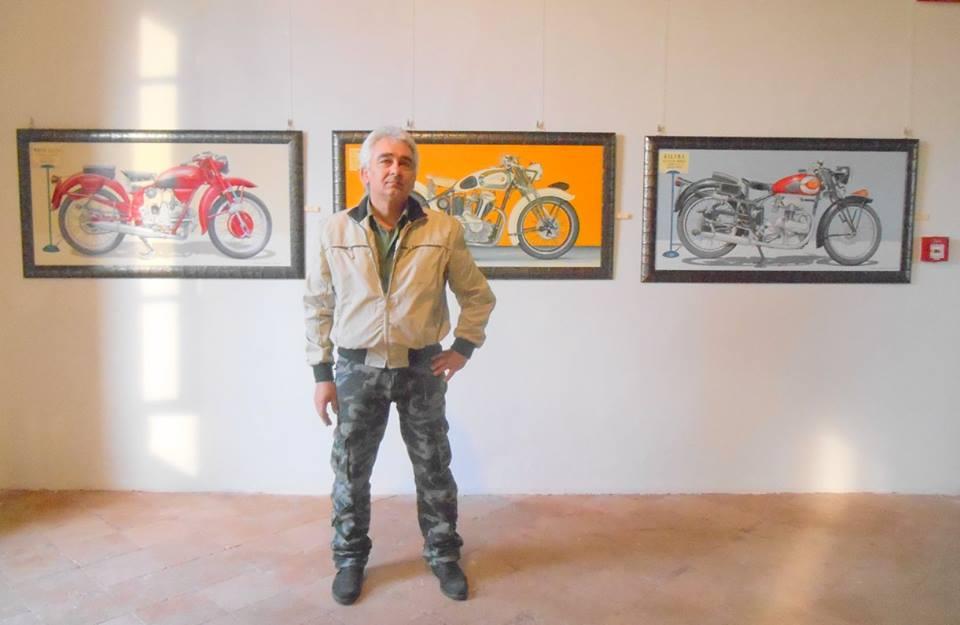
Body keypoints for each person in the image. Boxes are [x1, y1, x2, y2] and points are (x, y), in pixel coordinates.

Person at [304, 126, 495, 605]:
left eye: (405, 162)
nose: (396, 170)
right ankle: (350, 559)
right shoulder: (335, 230)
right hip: (356, 370)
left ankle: (443, 554)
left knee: (434, 467)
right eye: (385, 161)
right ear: (365, 173)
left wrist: (463, 347)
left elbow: (477, 295)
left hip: (420, 369)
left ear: (414, 173)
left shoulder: (442, 230)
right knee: (351, 471)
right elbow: (318, 305)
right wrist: (322, 374)